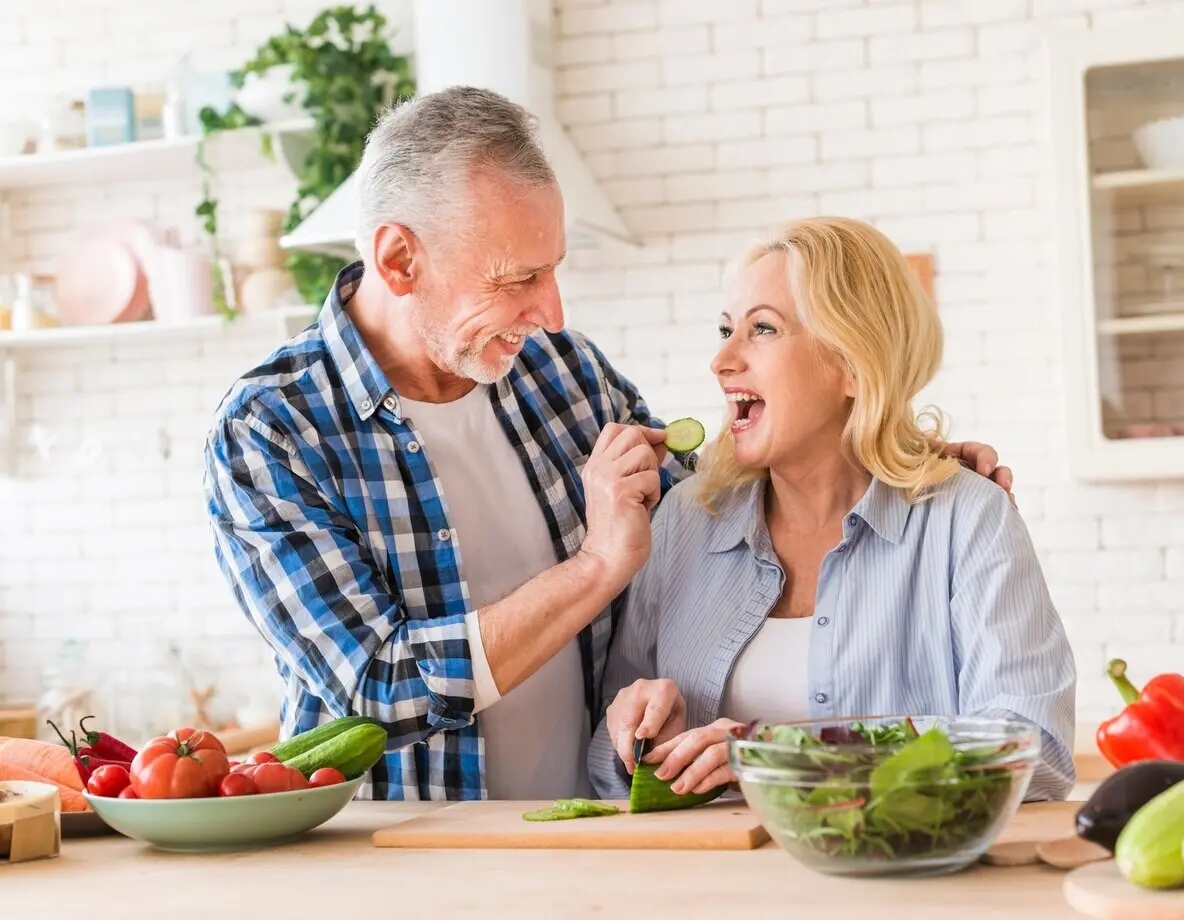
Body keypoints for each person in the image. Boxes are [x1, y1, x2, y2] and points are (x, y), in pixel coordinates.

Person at [203, 86, 1015, 802]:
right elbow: (376, 691)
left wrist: (908, 462)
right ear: (399, 257)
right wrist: (596, 567)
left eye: (553, 270)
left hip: (583, 830)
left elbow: (717, 507)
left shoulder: (562, 372)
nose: (551, 311)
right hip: (402, 858)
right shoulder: (272, 431)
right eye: (517, 279)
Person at [589, 216, 1076, 804]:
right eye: (725, 330)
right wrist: (640, 744)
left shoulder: (967, 519)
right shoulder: (685, 520)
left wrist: (791, 757)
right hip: (712, 887)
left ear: (851, 362)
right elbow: (604, 764)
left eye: (762, 329)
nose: (722, 361)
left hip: (894, 887)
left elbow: (1033, 748)